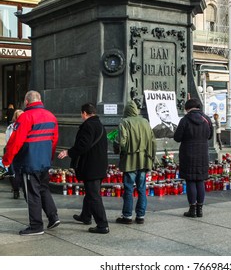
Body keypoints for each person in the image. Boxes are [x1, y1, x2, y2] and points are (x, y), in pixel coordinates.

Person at [2, 90, 60, 236]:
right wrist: (49, 157)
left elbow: (15, 142)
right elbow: (54, 141)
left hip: (29, 162)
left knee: (32, 194)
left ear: (26, 102)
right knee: (43, 189)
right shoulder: (51, 116)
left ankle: (36, 226)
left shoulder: (25, 117)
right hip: (44, 161)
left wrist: (6, 161)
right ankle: (53, 217)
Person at [58, 103, 109, 234]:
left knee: (94, 195)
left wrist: (68, 152)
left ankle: (102, 225)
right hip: (99, 165)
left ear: (84, 113)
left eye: (81, 114)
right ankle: (86, 216)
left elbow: (83, 145)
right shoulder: (99, 125)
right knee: (91, 192)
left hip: (91, 166)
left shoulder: (88, 125)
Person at [114, 100, 156, 224]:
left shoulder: (125, 122)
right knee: (142, 188)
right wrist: (152, 158)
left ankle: (127, 216)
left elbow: (122, 142)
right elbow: (153, 142)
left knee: (128, 188)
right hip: (144, 160)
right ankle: (140, 216)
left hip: (129, 161)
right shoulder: (145, 122)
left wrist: (117, 148)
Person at [174, 98, 213, 218]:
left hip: (188, 154)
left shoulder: (185, 120)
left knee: (190, 180)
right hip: (202, 154)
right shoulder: (207, 119)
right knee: (200, 180)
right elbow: (210, 135)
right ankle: (200, 209)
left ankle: (192, 209)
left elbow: (177, 137)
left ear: (187, 108)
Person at [5, 109, 24, 199]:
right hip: (14, 153)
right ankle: (16, 190)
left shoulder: (27, 126)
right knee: (13, 172)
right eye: (19, 116)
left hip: (23, 153)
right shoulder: (11, 127)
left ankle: (20, 189)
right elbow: (8, 141)